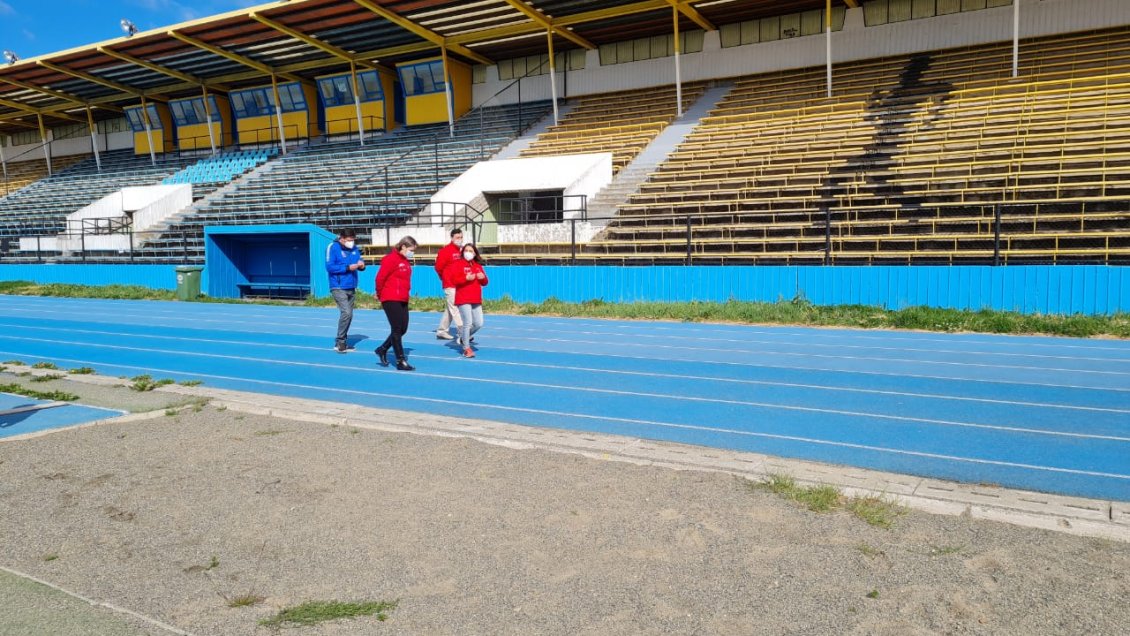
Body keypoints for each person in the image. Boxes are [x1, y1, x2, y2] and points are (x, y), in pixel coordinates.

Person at [374, 236, 418, 371]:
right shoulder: (390, 259)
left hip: (403, 298)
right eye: (411, 250)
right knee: (397, 329)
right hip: (390, 297)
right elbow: (380, 278)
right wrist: (380, 293)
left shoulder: (405, 261)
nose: (412, 253)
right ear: (403, 246)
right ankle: (400, 360)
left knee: (403, 328)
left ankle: (382, 349)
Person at [442, 242, 488, 358]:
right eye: (466, 250)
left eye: (471, 251)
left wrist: (483, 278)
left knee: (479, 323)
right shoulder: (458, 264)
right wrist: (465, 278)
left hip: (475, 298)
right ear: (463, 252)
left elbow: (485, 282)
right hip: (463, 297)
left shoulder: (477, 265)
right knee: (467, 323)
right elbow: (454, 280)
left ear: (475, 253)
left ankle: (463, 337)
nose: (468, 253)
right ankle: (466, 348)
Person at [325, 228, 365, 353]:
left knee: (349, 315)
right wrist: (347, 267)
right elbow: (329, 267)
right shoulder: (332, 247)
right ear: (341, 238)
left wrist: (362, 265)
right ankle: (340, 342)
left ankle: (342, 341)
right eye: (349, 240)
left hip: (351, 285)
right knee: (346, 313)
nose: (351, 242)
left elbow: (359, 261)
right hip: (338, 286)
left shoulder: (354, 248)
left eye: (353, 240)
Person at [434, 227, 464, 340]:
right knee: (456, 308)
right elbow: (438, 267)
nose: (459, 239)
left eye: (461, 237)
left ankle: (442, 330)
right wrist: (445, 278)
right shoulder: (445, 251)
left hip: (459, 284)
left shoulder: (461, 251)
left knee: (450, 309)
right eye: (457, 237)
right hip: (450, 284)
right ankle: (463, 332)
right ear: (452, 238)